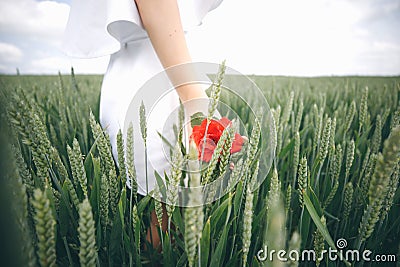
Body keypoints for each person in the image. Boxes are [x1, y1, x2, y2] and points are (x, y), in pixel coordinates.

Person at [63, 0, 223, 248]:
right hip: (162, 82)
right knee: (163, 229)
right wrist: (195, 100)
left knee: (160, 222)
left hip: (142, 72)